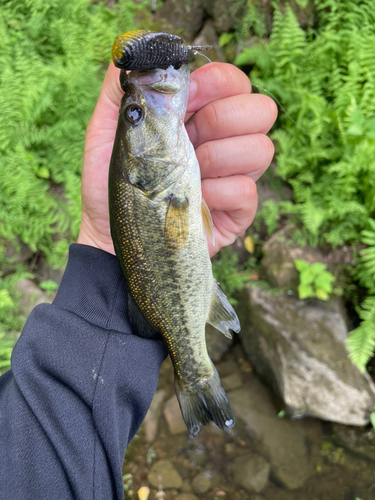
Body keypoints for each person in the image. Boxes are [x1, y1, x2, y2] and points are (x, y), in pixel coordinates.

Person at [0, 62, 277, 499]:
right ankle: (195, 371)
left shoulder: (158, 169)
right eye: (135, 116)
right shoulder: (156, 173)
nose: (142, 108)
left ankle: (195, 373)